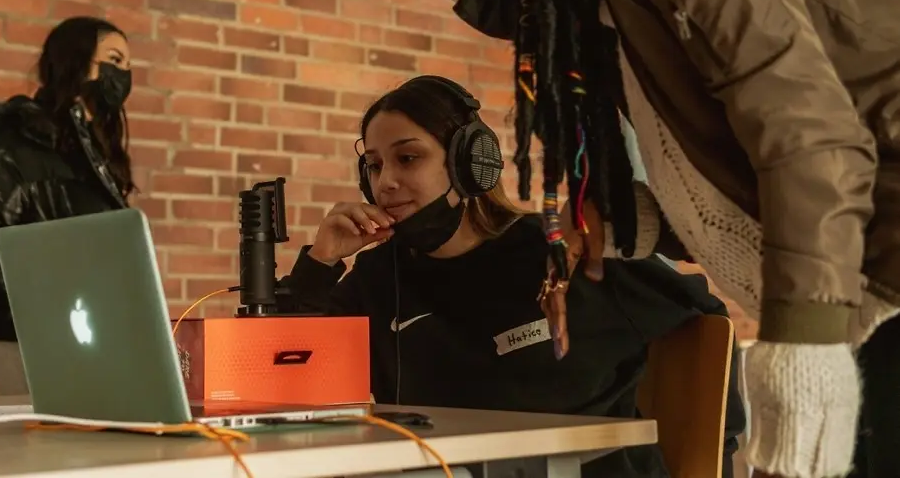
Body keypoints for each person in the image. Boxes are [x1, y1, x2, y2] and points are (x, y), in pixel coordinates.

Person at [403, 0, 900, 477]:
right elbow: (744, 193)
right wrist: (621, 225)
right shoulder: (611, 15)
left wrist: (803, 353)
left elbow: (810, 134)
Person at [282, 75, 746, 478]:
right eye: (376, 166)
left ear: (470, 163)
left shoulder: (563, 252)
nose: (385, 183)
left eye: (408, 159)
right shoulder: (381, 277)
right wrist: (320, 264)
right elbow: (281, 379)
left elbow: (706, 326)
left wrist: (712, 463)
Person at [0, 16, 136, 395]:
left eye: (129, 66)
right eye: (114, 60)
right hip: (35, 344)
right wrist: (49, 300)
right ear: (76, 60)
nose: (124, 75)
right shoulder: (15, 139)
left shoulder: (90, 151)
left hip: (87, 338)